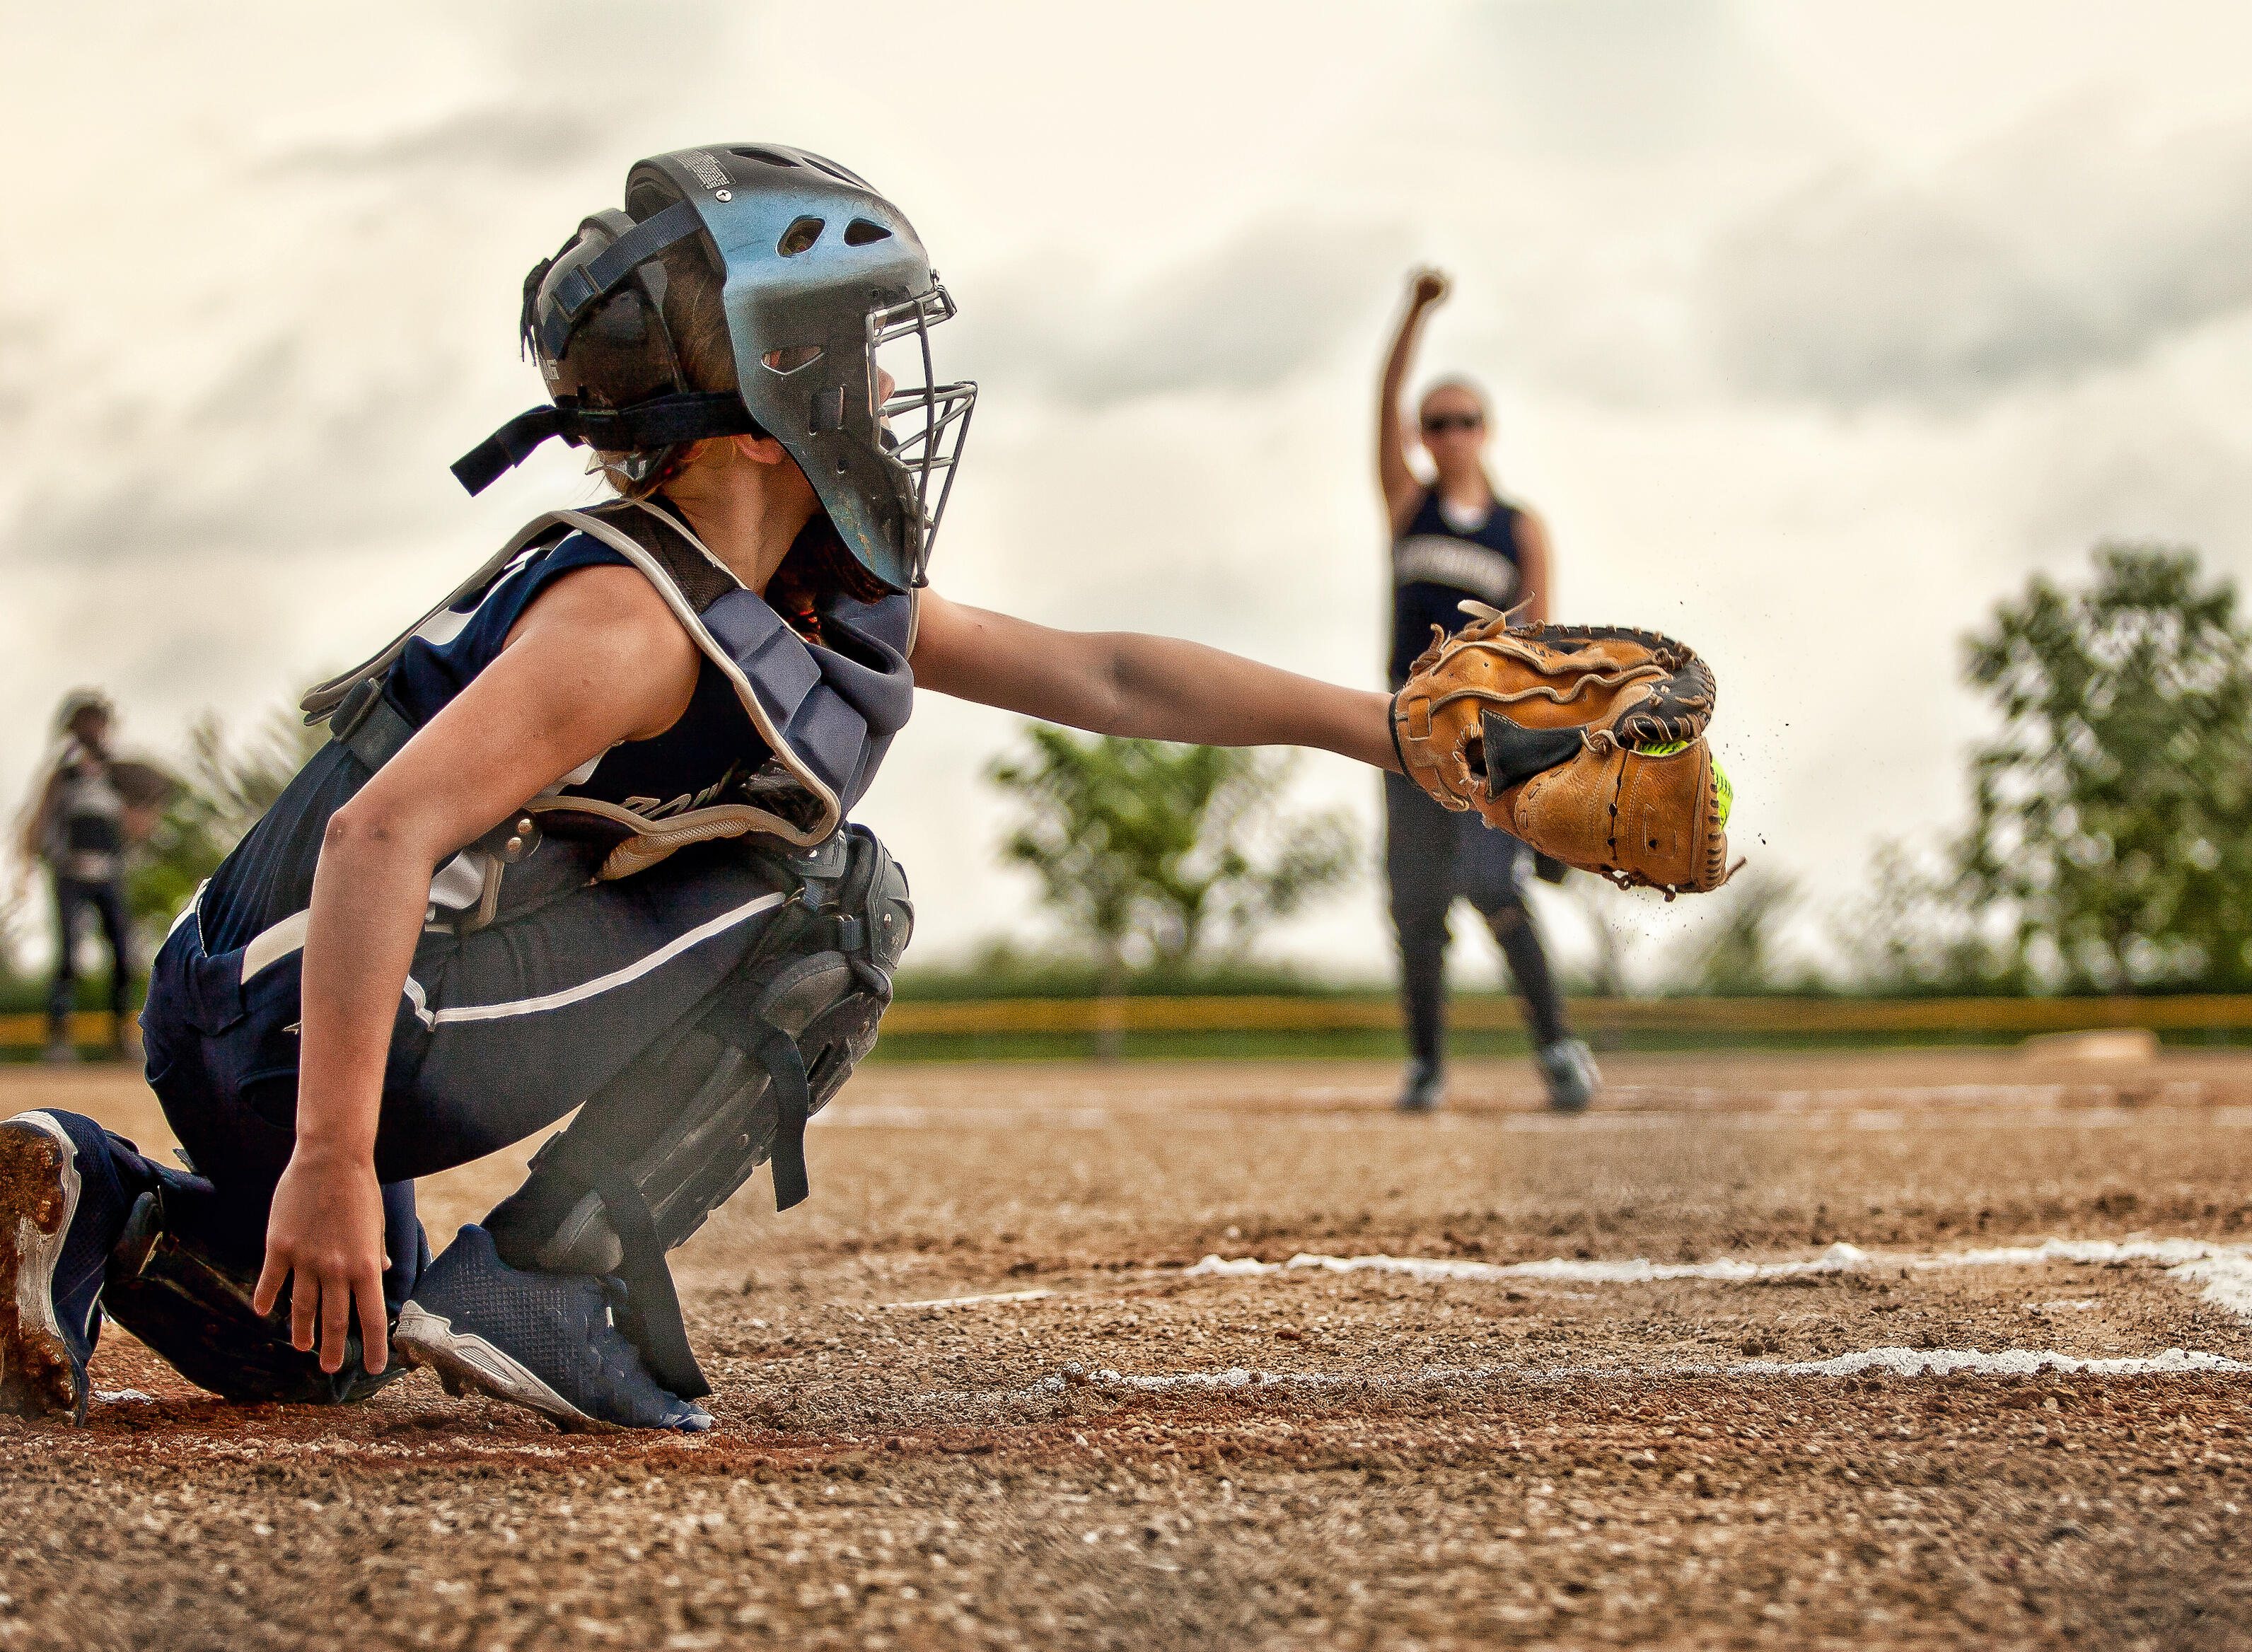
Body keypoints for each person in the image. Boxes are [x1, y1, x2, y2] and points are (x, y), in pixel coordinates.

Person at [0, 145, 1410, 1433]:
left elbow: (1110, 677)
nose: (899, 395)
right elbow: (379, 830)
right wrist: (330, 1152)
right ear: (770, 395)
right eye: (869, 355)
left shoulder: (791, 593)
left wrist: (1390, 732)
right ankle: (550, 1275)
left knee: (331, 1343)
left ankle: (93, 1200)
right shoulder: (633, 622)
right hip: (325, 1012)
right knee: (837, 904)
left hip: (288, 1002)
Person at [1374, 268, 1598, 1115]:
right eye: (1436, 422)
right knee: (1414, 904)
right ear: (1421, 436)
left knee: (1494, 887)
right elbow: (1384, 396)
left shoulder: (1518, 527)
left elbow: (1542, 643)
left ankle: (1559, 1048)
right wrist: (1415, 313)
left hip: (1488, 737)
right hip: (1404, 731)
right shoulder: (1408, 507)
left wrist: (1557, 753)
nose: (1452, 433)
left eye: (1465, 419)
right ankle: (1428, 1065)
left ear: (1487, 430)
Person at [13, 692, 146, 1064]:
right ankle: (59, 1041)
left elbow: (136, 820)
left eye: (100, 723)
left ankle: (121, 1039)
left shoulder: (116, 775)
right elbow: (39, 819)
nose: (95, 730)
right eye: (87, 723)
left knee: (123, 953)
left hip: (109, 873)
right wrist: (25, 869)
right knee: (68, 955)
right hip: (70, 872)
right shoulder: (62, 774)